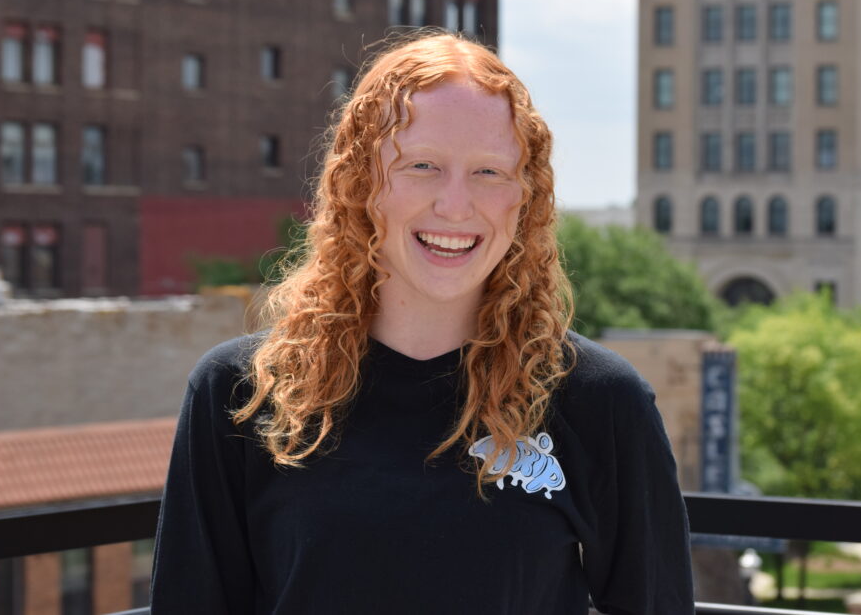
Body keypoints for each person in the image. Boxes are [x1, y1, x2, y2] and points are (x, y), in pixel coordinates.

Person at [150, 32, 693, 614]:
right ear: (361, 185)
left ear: (525, 199)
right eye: (423, 166)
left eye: (488, 171)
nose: (455, 206)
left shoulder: (602, 402)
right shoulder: (243, 392)